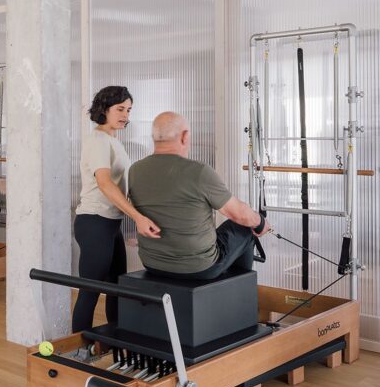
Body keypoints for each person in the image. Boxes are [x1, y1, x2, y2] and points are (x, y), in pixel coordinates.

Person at [128, 112, 268, 280]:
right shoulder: (199, 171)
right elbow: (239, 215)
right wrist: (261, 222)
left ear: (154, 137)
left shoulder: (135, 170)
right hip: (199, 267)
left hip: (152, 263)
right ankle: (240, 288)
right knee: (244, 225)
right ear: (185, 136)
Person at [72, 87, 161, 332]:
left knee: (116, 289)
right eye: (120, 109)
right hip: (94, 222)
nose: (125, 115)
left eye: (128, 110)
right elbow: (104, 183)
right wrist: (137, 217)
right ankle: (79, 348)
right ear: (104, 109)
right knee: (90, 291)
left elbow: (122, 185)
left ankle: (116, 341)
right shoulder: (98, 141)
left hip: (110, 223)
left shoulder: (113, 141)